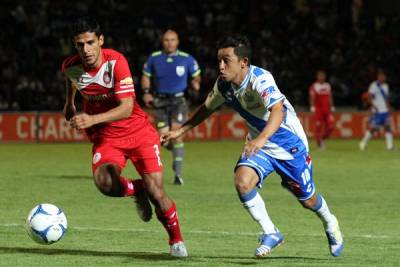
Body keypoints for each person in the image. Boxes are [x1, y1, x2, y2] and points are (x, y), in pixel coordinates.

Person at [162, 36, 343, 258]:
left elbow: (278, 111)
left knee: (308, 200)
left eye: (226, 60)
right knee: (242, 181)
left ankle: (329, 221)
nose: (220, 66)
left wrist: (261, 139)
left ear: (243, 62)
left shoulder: (261, 79)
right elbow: (207, 108)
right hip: (261, 145)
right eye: (218, 60)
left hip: (289, 144)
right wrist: (180, 130)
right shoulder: (223, 85)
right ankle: (271, 232)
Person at [61, 17, 187, 257]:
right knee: (105, 184)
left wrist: (91, 119)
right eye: (80, 45)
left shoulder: (115, 62)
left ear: (100, 41)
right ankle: (137, 189)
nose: (86, 49)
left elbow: (127, 107)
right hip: (107, 137)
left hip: (138, 133)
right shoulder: (71, 65)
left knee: (158, 194)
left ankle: (176, 240)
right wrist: (70, 104)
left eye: (90, 42)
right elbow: (73, 80)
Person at [141, 29, 201, 185]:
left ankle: (178, 174)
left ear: (178, 41)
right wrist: (146, 92)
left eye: (173, 39)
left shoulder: (187, 59)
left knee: (177, 133)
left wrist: (196, 83)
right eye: (167, 40)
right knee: (164, 139)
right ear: (162, 41)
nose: (170, 43)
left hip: (178, 101)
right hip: (160, 102)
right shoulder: (154, 58)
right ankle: (175, 151)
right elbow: (146, 77)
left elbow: (196, 75)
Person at [359, 69, 394, 151]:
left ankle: (390, 147)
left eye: (384, 76)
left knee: (388, 127)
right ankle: (363, 142)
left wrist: (388, 107)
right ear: (378, 77)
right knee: (373, 128)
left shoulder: (386, 86)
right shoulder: (374, 85)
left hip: (385, 110)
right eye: (381, 76)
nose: (382, 78)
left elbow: (386, 98)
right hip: (377, 110)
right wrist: (373, 106)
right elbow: (369, 97)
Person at [309, 70, 335, 149]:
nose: (322, 77)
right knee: (318, 127)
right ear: (317, 77)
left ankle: (322, 139)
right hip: (318, 110)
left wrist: (332, 106)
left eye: (323, 76)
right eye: (320, 76)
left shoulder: (327, 85)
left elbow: (330, 96)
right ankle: (319, 145)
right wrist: (312, 106)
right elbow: (312, 97)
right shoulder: (314, 86)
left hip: (327, 110)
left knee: (331, 126)